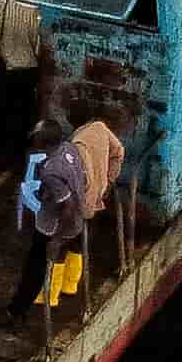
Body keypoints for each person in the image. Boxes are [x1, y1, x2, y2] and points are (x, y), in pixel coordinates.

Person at [15, 122, 85, 317]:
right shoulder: (69, 149)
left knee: (36, 266)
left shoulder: (51, 170)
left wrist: (57, 238)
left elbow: (67, 206)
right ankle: (67, 287)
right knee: (69, 251)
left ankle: (23, 309)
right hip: (77, 219)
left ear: (42, 141)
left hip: (52, 225)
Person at [0, 0, 46, 148]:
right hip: (27, 69)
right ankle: (19, 147)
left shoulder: (5, 1)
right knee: (24, 110)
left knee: (4, 106)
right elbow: (38, 46)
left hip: (5, 65)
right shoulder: (36, 11)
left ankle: (1, 144)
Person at [70, 111, 127, 265]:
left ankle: (56, 287)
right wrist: (110, 179)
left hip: (83, 193)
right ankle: (71, 285)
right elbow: (119, 151)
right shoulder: (102, 129)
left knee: (63, 244)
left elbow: (82, 173)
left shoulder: (78, 142)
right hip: (99, 189)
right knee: (80, 242)